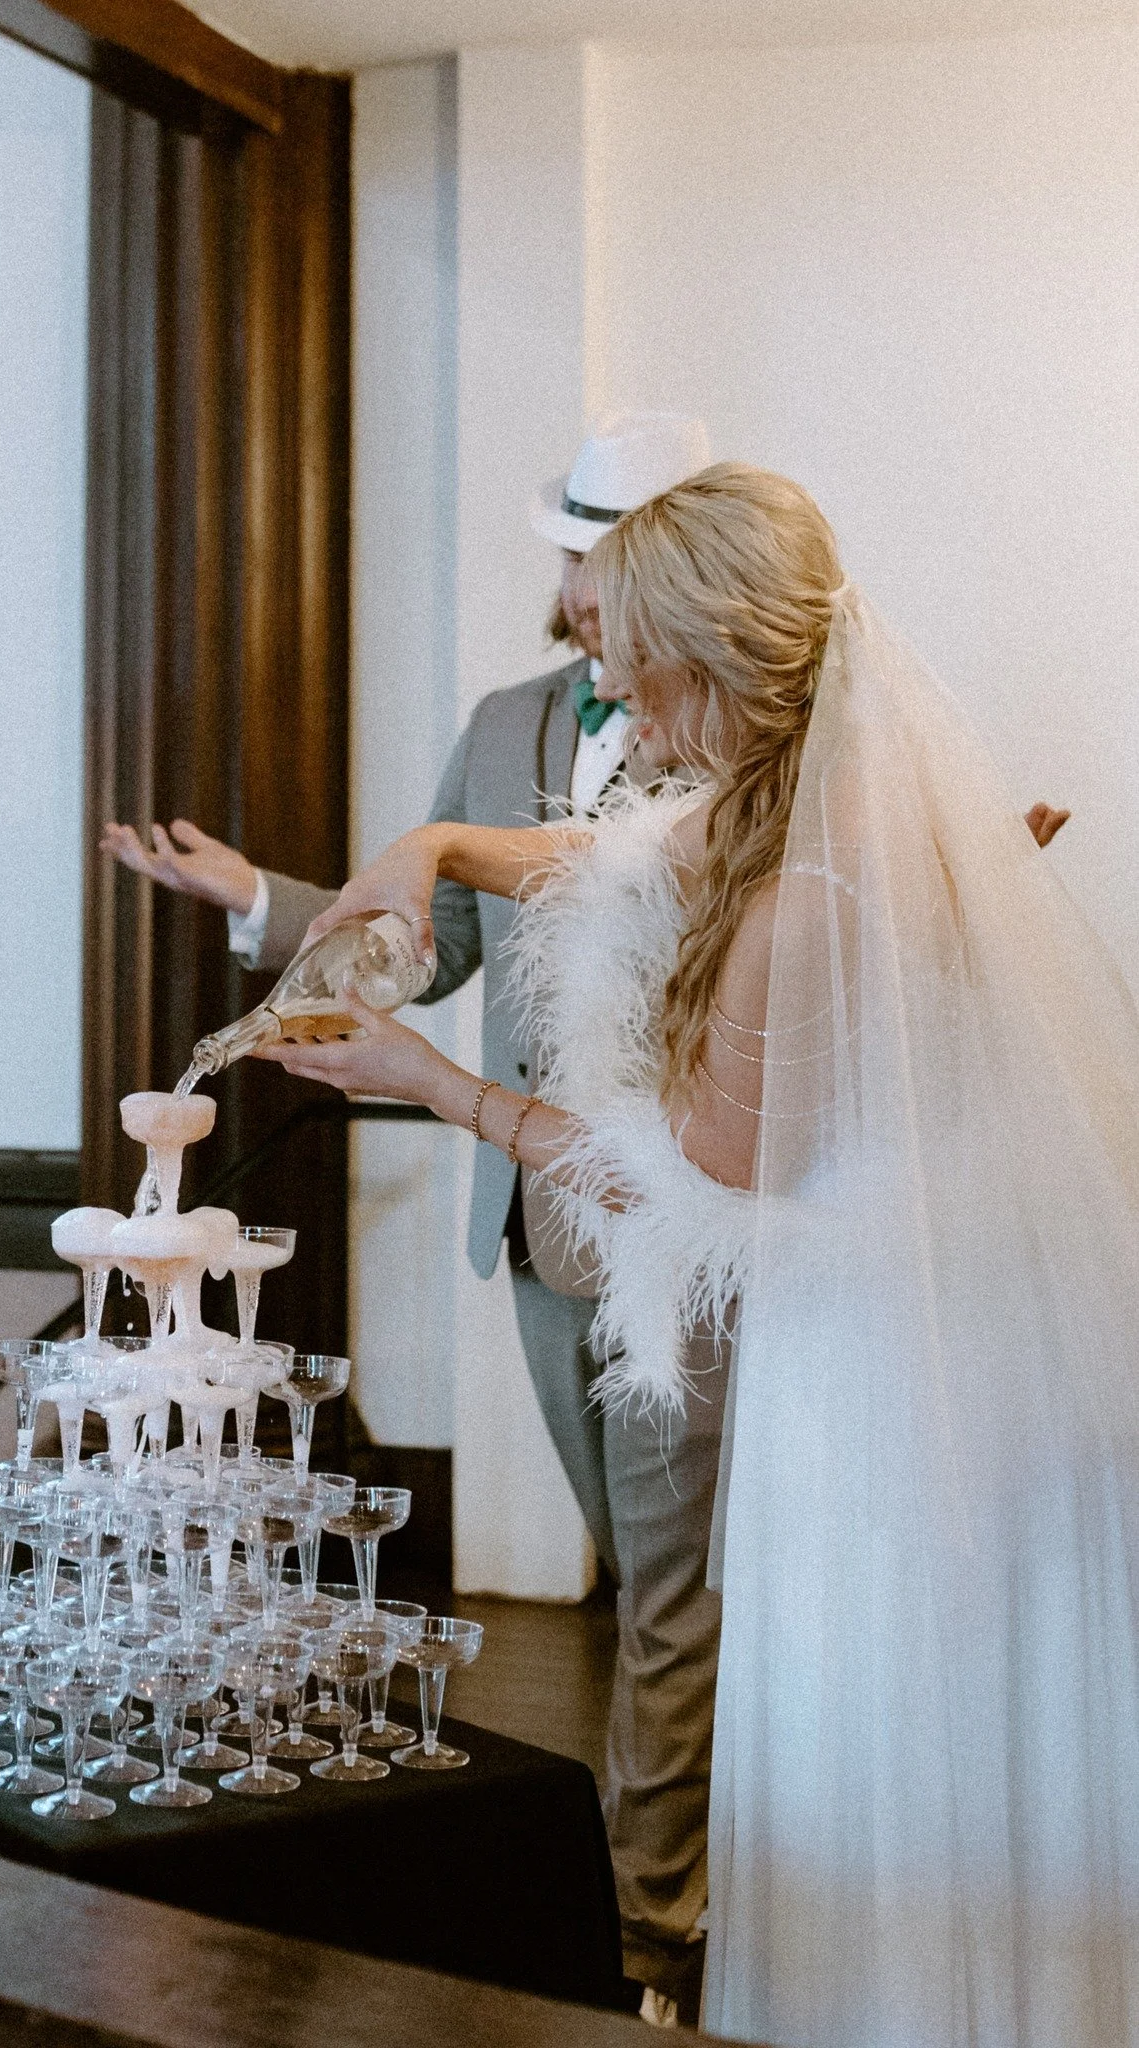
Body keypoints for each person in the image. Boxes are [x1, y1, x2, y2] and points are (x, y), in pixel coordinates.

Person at [249, 462, 1130, 2048]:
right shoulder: (803, 795)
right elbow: (604, 861)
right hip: (904, 1352)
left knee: (867, 1754)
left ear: (718, 670)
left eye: (636, 680)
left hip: (878, 1395)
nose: (619, 719)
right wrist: (437, 845)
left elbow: (694, 1195)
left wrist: (438, 1087)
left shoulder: (806, 893)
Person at [104, 412, 734, 2023]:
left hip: (677, 1203)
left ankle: (648, 1937)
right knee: (640, 1563)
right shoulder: (505, 719)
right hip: (533, 1221)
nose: (586, 589)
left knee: (674, 1594)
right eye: (575, 556)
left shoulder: (723, 723)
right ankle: (683, 1887)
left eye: (613, 558)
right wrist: (261, 902)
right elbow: (431, 943)